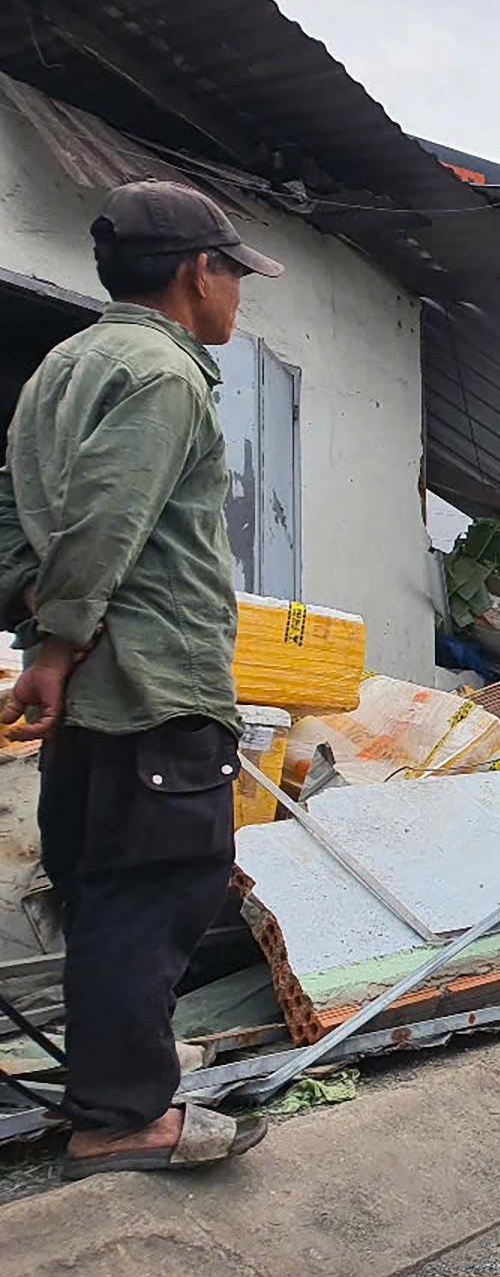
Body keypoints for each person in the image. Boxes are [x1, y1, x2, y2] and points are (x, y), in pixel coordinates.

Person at [0, 181, 283, 1176]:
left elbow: (11, 514)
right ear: (197, 272)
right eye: (235, 275)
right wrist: (58, 646)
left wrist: (38, 622)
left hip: (94, 699)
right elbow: (109, 520)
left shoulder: (57, 371)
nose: (239, 298)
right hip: (152, 680)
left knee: (100, 886)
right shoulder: (164, 371)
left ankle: (127, 1070)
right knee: (159, 887)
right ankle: (125, 1119)